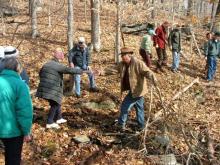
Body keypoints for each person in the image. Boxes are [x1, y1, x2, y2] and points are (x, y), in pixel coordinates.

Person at [36, 48, 85, 129]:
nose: (62, 55)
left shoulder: (47, 64)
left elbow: (40, 73)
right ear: (57, 55)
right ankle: (49, 122)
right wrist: (82, 71)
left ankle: (59, 118)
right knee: (55, 104)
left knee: (56, 102)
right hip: (50, 89)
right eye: (60, 54)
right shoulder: (57, 65)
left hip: (44, 88)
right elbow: (68, 70)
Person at [0, 57, 33, 165]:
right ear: (18, 68)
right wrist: (26, 131)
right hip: (13, 131)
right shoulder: (20, 85)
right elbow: (24, 111)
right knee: (13, 160)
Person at [116, 47, 157, 131]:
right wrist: (102, 72)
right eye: (122, 56)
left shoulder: (138, 63)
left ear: (129, 55)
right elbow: (113, 69)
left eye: (125, 56)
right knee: (139, 108)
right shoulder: (122, 64)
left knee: (125, 106)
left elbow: (147, 72)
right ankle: (141, 125)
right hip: (134, 90)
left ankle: (121, 124)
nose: (123, 58)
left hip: (137, 90)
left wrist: (153, 78)